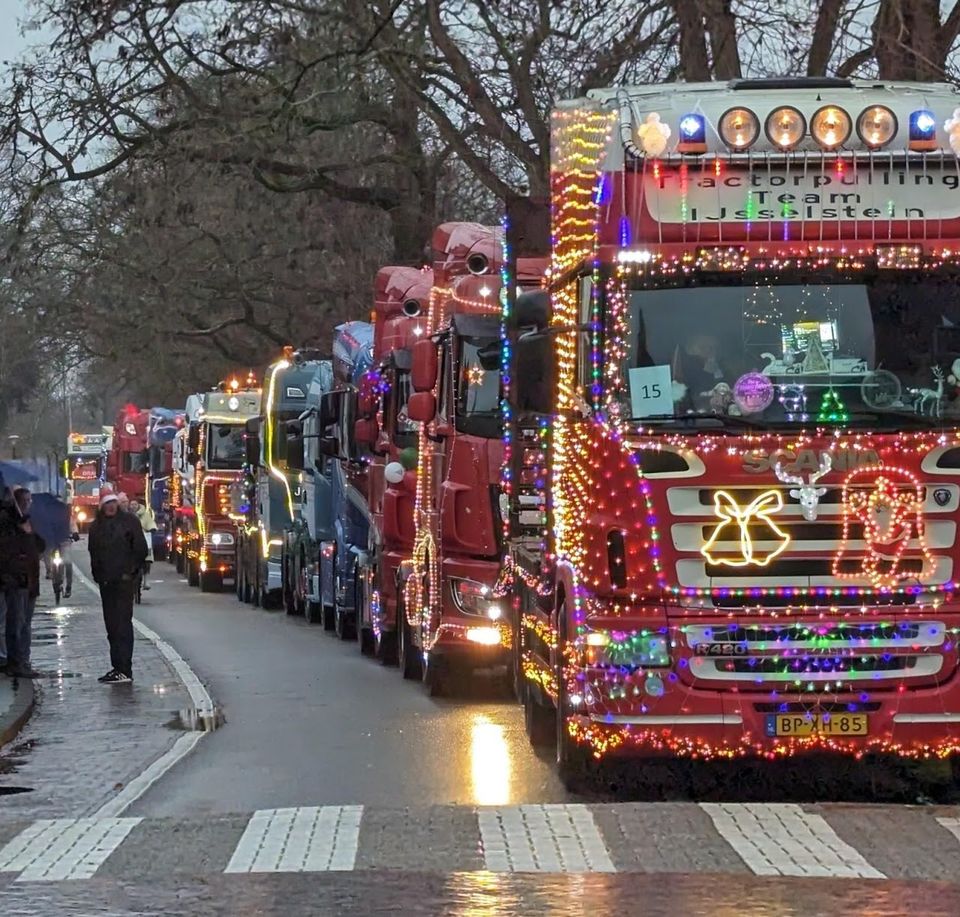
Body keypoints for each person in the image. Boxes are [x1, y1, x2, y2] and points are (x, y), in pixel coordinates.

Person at [88, 491, 148, 684]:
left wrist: (131, 571)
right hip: (107, 582)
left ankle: (124, 668)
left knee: (122, 624)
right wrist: (98, 576)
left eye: (113, 503)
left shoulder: (129, 522)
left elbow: (140, 549)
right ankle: (117, 666)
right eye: (107, 504)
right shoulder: (96, 527)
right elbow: (94, 553)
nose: (111, 507)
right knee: (112, 625)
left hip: (123, 581)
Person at [8, 488, 45, 677]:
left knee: (26, 623)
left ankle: (24, 660)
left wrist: (32, 533)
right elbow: (12, 550)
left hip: (31, 580)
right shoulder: (11, 523)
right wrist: (23, 532)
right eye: (26, 500)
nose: (29, 504)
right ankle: (16, 661)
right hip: (18, 580)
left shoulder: (30, 522)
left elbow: (40, 546)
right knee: (18, 622)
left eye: (30, 500)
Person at [128, 499, 156, 590]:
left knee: (147, 557)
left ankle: (146, 580)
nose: (133, 506)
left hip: (143, 538)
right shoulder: (126, 515)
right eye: (132, 504)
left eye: (135, 504)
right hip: (129, 539)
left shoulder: (145, 515)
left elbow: (150, 523)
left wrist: (151, 529)